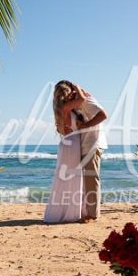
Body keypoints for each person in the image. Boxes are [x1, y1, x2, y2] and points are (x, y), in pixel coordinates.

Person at [60, 81, 107, 222]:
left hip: (93, 143)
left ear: (73, 91)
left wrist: (86, 126)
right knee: (85, 180)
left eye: (67, 94)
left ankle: (92, 214)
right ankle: (86, 211)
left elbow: (103, 115)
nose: (66, 98)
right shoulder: (75, 104)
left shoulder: (86, 100)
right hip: (84, 144)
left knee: (91, 179)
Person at [44, 82, 83, 223]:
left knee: (64, 178)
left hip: (66, 144)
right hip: (72, 144)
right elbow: (82, 99)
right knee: (73, 178)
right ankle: (70, 213)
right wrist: (78, 87)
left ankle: (60, 212)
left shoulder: (58, 108)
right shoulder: (66, 107)